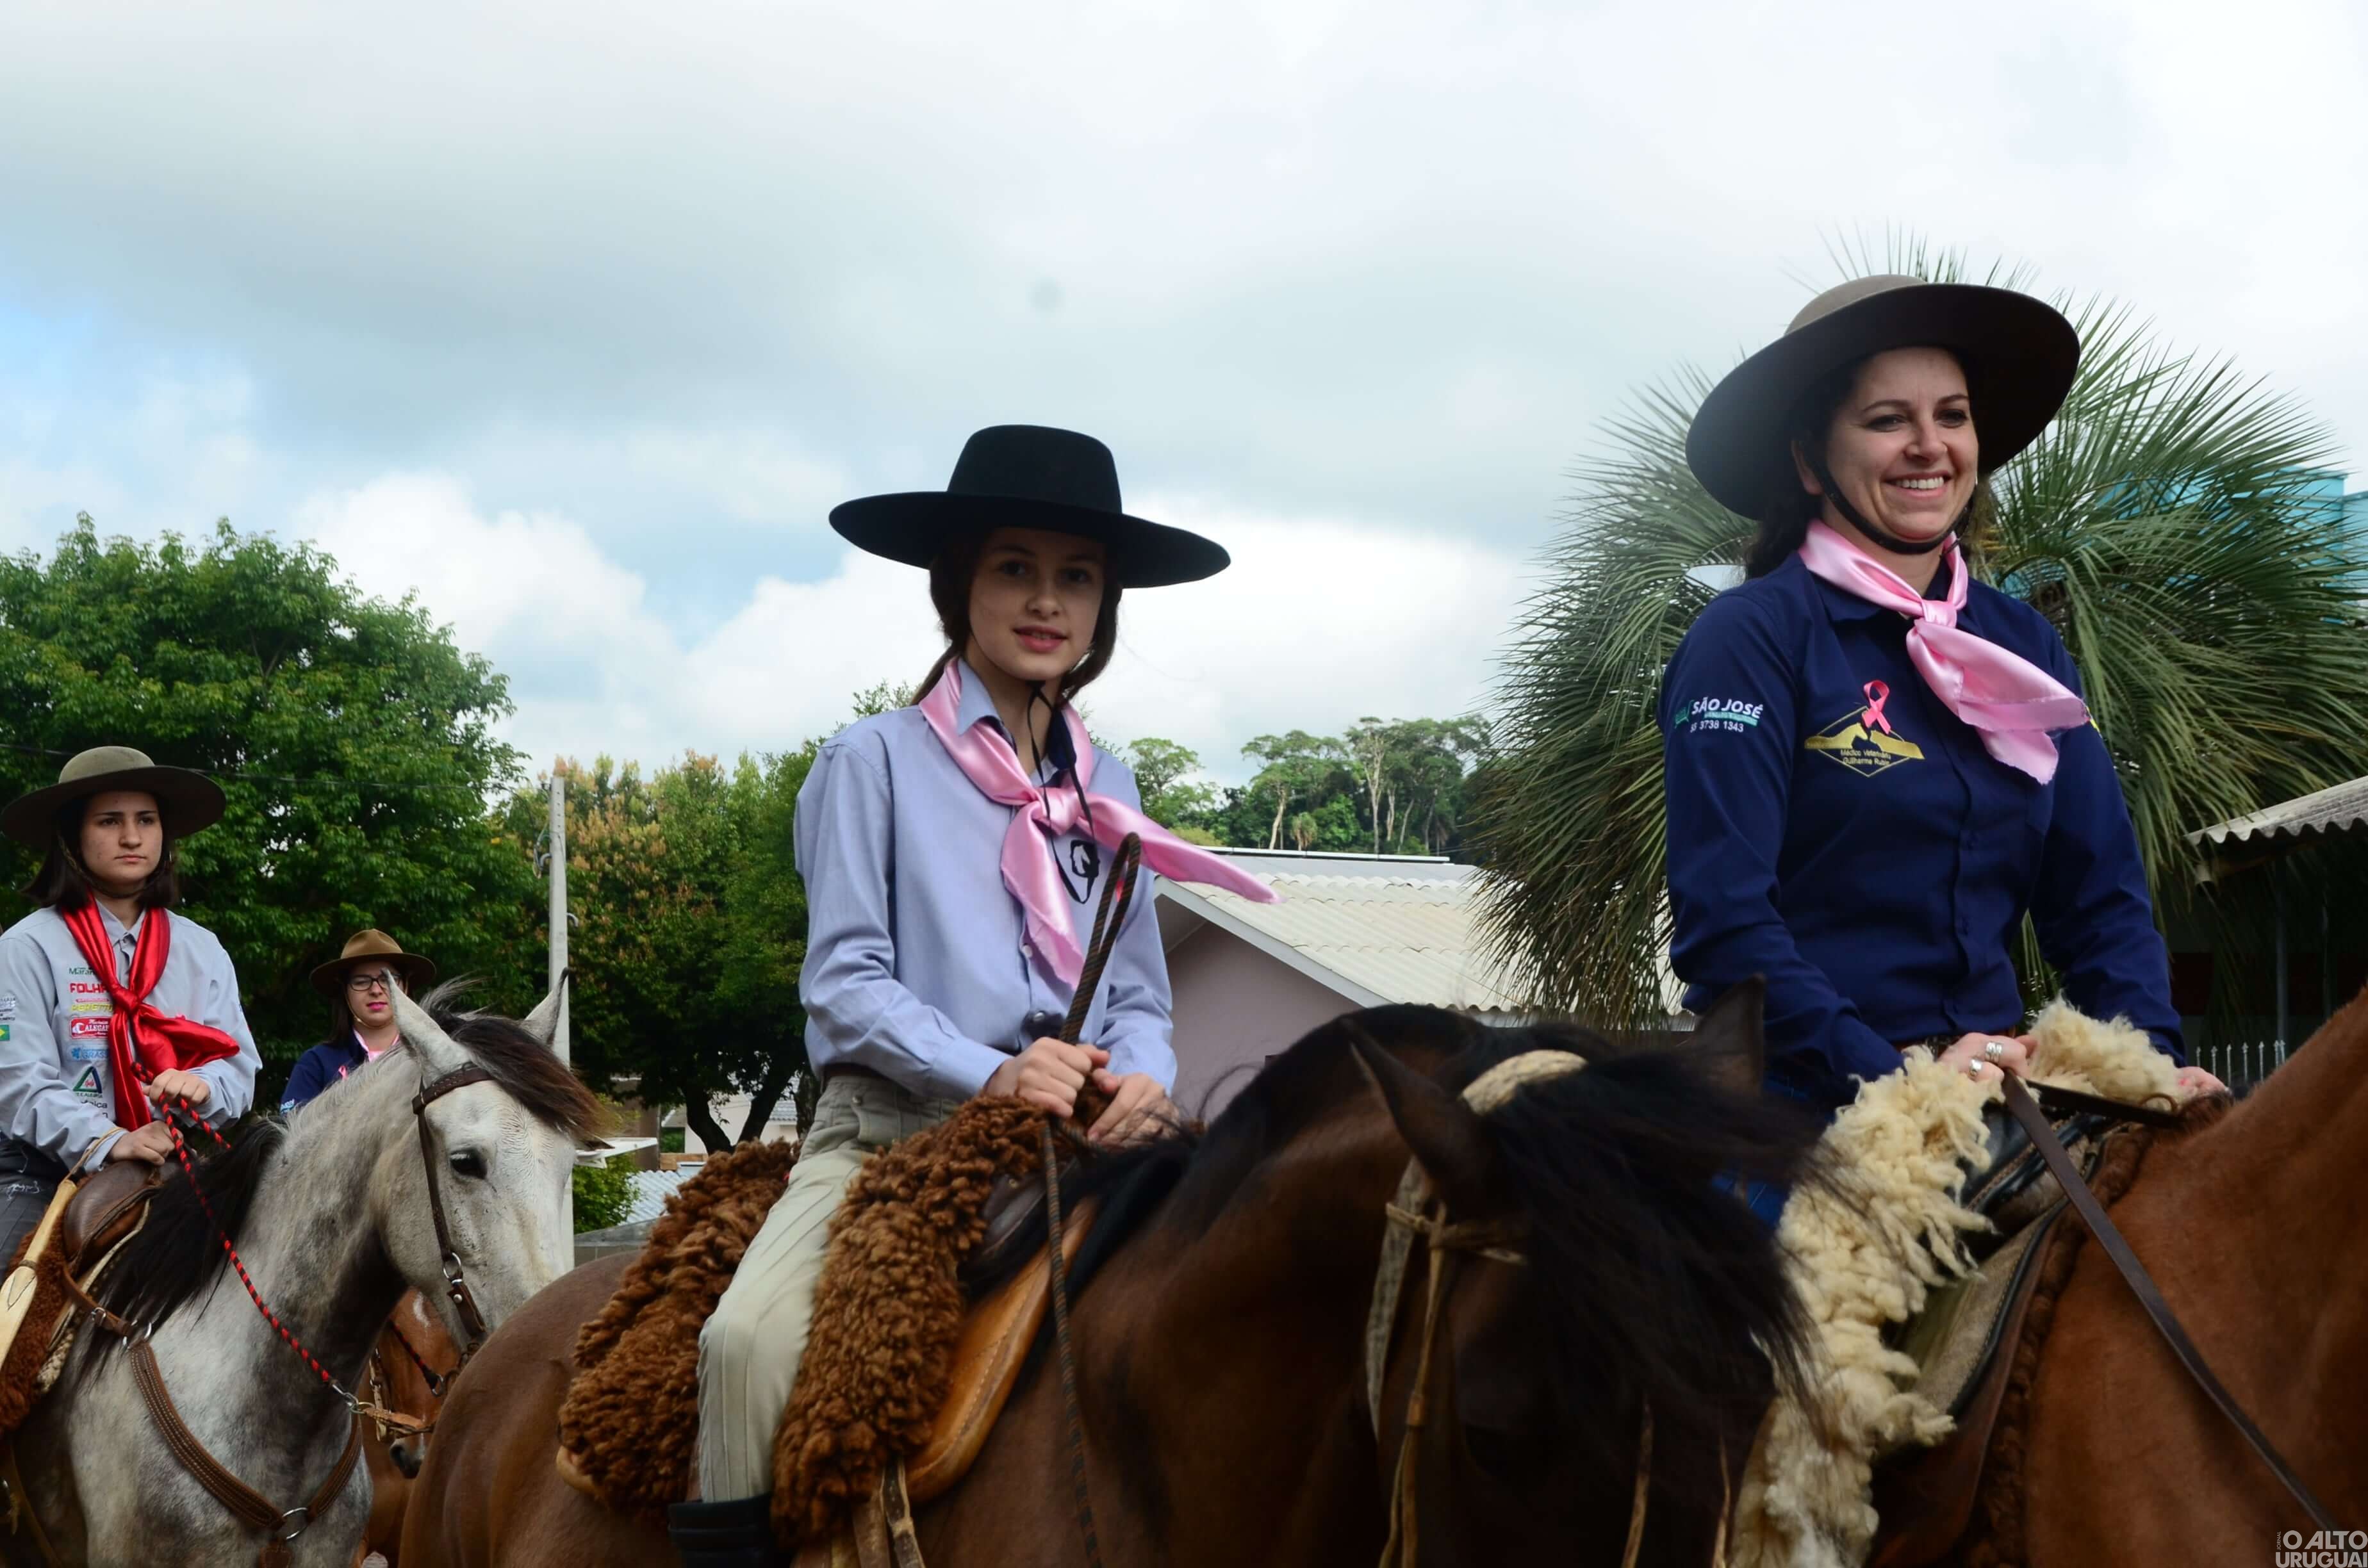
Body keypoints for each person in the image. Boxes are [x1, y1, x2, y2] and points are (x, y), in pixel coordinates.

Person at [667, 425, 1279, 1565]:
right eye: (1015, 567)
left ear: (1103, 609)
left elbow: (1139, 987)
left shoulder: (1112, 784)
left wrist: (1146, 1074)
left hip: (1083, 1141)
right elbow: (845, 985)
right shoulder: (873, 760)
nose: (1046, 600)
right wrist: (994, 1069)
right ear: (960, 586)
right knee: (745, 1342)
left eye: (1077, 576)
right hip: (897, 1137)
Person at [1663, 276, 2219, 1222]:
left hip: (1997, 1098)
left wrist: (2149, 1069)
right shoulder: (1751, 638)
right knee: (1765, 1354)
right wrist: (1898, 1077)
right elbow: (1725, 926)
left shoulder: (2024, 645)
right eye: (1888, 420)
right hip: (1805, 1104)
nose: (1930, 446)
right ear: (1809, 461)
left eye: (1952, 416)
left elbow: (2100, 899)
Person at [0, 746, 261, 1261]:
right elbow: (18, 1083)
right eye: (109, 821)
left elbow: (238, 1069)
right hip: (41, 1172)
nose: (131, 837)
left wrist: (203, 1087)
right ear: (72, 836)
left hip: (171, 1166)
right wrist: (108, 1141)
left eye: (147, 819)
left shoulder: (201, 949)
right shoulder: (25, 947)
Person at [281, 929, 437, 1114]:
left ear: (405, 987)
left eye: (387, 980)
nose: (376, 990)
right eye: (362, 981)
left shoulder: (430, 1058)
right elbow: (291, 1134)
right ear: (345, 991)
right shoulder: (317, 1063)